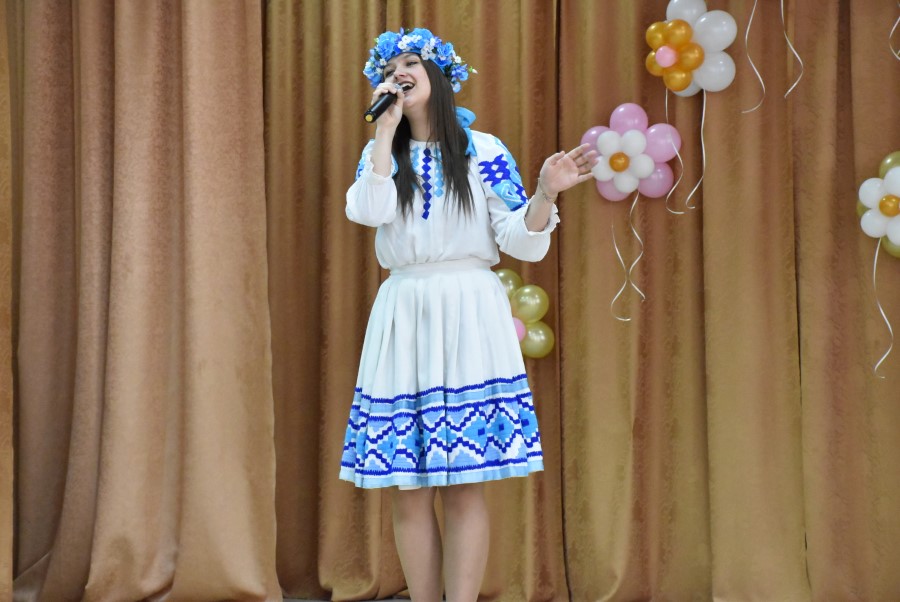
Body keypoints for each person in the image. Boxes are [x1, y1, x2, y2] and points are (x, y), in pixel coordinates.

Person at [339, 27, 598, 602]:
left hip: (469, 310)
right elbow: (368, 211)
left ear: (439, 75)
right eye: (392, 66)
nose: (400, 72)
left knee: (463, 484)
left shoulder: (483, 149)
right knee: (408, 487)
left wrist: (546, 193)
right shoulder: (381, 153)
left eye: (412, 62)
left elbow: (522, 241)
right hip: (405, 310)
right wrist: (384, 132)